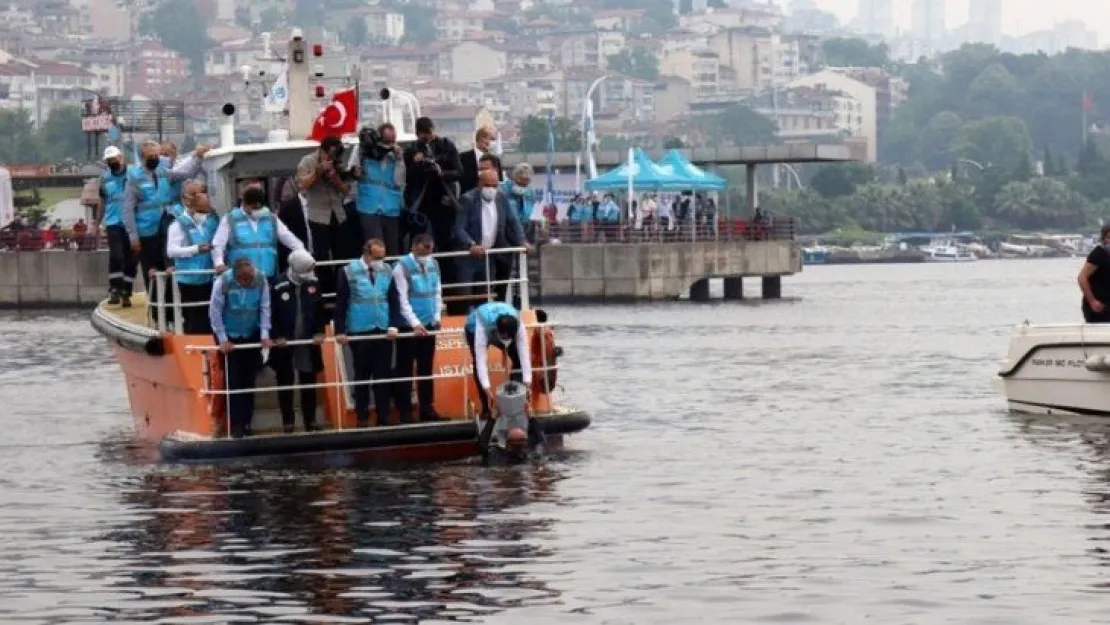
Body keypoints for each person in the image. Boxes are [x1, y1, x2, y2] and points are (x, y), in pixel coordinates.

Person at [122, 140, 207, 310]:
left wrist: (198, 157)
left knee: (169, 268)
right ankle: (156, 310)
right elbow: (128, 209)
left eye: (156, 155)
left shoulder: (163, 172)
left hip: (165, 225)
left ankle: (169, 311)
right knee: (152, 270)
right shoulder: (134, 178)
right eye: (150, 156)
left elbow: (184, 173)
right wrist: (133, 236)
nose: (155, 159)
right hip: (146, 230)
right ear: (142, 158)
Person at [334, 239, 404, 427]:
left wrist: (394, 325)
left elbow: (393, 300)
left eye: (383, 257)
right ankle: (362, 416)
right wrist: (340, 330)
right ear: (366, 254)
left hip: (382, 329)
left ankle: (383, 415)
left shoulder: (387, 270)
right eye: (377, 257)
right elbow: (341, 303)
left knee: (383, 375)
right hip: (360, 330)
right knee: (362, 374)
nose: (381, 261)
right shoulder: (347, 271)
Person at [209, 258, 272, 438]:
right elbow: (215, 312)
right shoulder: (223, 283)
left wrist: (264, 334)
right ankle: (236, 425)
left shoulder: (260, 280)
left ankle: (247, 423)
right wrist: (222, 339)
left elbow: (265, 307)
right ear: (236, 276)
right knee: (234, 381)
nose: (249, 282)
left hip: (250, 332)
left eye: (250, 278)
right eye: (245, 280)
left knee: (248, 380)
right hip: (229, 335)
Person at [269, 250, 327, 433]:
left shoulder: (314, 283)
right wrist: (276, 335)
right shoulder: (278, 285)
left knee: (308, 381)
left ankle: (310, 420)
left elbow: (319, 310)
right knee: (285, 381)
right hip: (284, 342)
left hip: (307, 341)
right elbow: (269, 313)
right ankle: (288, 421)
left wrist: (319, 332)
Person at [454, 169, 526, 312]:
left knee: (485, 294)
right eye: (487, 185)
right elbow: (458, 228)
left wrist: (522, 241)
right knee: (464, 294)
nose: (491, 189)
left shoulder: (502, 198)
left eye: (494, 185)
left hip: (488, 256)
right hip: (468, 256)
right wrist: (471, 244)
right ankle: (463, 323)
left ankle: (482, 324)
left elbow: (513, 221)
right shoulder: (467, 199)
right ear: (479, 184)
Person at [392, 233, 444, 422]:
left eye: (429, 250)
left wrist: (437, 316)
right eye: (423, 250)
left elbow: (437, 292)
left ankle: (427, 408)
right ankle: (404, 412)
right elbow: (402, 299)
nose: (426, 254)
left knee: (426, 369)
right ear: (414, 246)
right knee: (404, 369)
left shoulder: (434, 264)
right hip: (409, 326)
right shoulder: (401, 267)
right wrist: (414, 323)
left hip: (429, 324)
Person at [405, 117, 462, 285]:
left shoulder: (446, 146)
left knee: (445, 243)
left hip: (444, 200)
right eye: (424, 136)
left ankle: (448, 284)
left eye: (430, 135)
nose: (428, 139)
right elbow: (407, 177)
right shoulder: (412, 150)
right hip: (421, 202)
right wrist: (416, 164)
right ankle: (418, 282)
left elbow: (459, 171)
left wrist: (441, 172)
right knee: (421, 243)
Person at [296, 136, 353, 298]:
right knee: (321, 256)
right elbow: (301, 185)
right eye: (330, 154)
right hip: (318, 215)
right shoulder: (307, 161)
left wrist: (335, 177)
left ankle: (344, 290)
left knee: (342, 254)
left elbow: (346, 190)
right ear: (322, 150)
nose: (331, 158)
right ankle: (324, 291)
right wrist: (318, 171)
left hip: (338, 214)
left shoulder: (338, 162)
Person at [212, 186, 306, 283]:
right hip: (241, 278)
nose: (256, 210)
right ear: (244, 203)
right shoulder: (230, 219)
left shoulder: (271, 218)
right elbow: (218, 244)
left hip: (268, 276)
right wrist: (219, 263)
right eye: (253, 207)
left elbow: (288, 237)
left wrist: (302, 253)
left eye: (259, 207)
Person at [165, 180, 219, 334]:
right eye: (195, 195)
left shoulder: (211, 221)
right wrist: (195, 249)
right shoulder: (178, 224)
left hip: (209, 277)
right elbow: (172, 250)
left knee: (209, 315)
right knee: (194, 316)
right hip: (189, 279)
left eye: (202, 193)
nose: (200, 198)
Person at [464, 301, 531, 419]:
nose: (507, 340)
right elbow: (481, 360)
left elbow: (524, 355)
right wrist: (487, 388)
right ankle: (486, 407)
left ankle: (516, 399)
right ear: (498, 332)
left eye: (510, 337)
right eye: (505, 337)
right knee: (477, 362)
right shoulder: (483, 324)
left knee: (518, 360)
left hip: (504, 328)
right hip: (473, 328)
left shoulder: (518, 325)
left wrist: (527, 383)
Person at [353, 122, 406, 256]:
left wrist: (399, 159)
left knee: (392, 249)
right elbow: (353, 172)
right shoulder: (363, 151)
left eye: (393, 140)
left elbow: (399, 181)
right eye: (386, 141)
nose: (390, 144)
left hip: (391, 208)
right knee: (376, 247)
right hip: (369, 206)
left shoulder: (395, 155)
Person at [99, 146, 135, 306]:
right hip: (113, 221)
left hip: (131, 221)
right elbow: (103, 200)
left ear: (121, 158)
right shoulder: (105, 178)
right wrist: (97, 222)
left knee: (131, 258)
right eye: (109, 161)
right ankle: (115, 289)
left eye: (114, 159)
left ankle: (127, 291)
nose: (113, 162)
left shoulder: (132, 174)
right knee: (117, 255)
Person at [459, 125, 503, 195]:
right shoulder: (463, 157)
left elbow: (500, 180)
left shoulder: (496, 160)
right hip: (469, 198)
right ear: (482, 138)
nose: (493, 142)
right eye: (492, 139)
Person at [1079, 224, 1110, 323]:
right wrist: (1092, 301)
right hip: (1098, 307)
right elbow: (1082, 278)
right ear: (1103, 238)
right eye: (1109, 237)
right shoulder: (1099, 253)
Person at [501, 163, 538, 241]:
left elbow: (529, 210)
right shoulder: (502, 188)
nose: (523, 183)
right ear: (514, 177)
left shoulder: (531, 192)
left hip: (524, 227)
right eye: (521, 179)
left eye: (527, 180)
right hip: (506, 228)